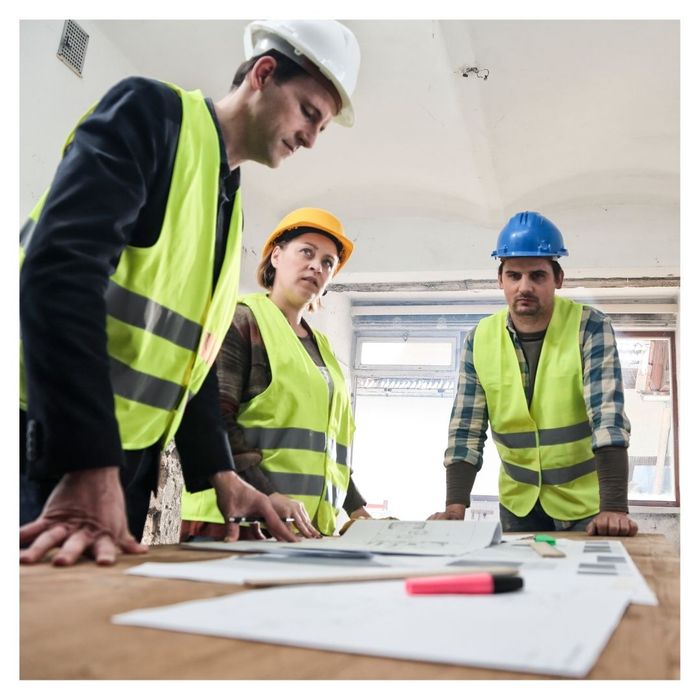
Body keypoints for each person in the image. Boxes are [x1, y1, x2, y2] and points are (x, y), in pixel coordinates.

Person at [19, 20, 362, 566]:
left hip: (123, 462)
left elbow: (191, 364)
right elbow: (57, 273)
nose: (311, 138)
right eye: (308, 113)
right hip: (49, 438)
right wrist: (86, 460)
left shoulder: (227, 199)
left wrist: (222, 473)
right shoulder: (151, 116)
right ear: (264, 74)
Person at [429, 211, 638, 536]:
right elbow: (466, 427)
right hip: (517, 505)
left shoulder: (590, 327)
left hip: (586, 506)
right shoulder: (479, 339)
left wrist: (614, 508)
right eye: (514, 275)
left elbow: (607, 418)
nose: (524, 287)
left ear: (558, 278)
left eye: (537, 276)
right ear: (500, 280)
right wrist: (455, 506)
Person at [180, 208, 371, 540]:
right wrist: (268, 494)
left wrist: (356, 508)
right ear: (276, 256)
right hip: (236, 522)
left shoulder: (322, 349)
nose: (317, 266)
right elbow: (217, 420)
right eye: (307, 252)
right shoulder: (243, 320)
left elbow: (327, 451)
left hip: (302, 529)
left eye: (328, 262)